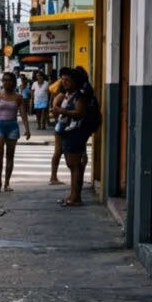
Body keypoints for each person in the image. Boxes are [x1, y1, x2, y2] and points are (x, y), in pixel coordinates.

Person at [0, 71, 32, 193]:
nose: (6, 82)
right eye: (4, 80)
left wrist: (27, 129)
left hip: (12, 126)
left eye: (9, 80)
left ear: (13, 82)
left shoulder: (18, 97)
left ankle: (7, 183)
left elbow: (23, 114)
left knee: (10, 156)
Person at [56, 67, 94, 207]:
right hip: (69, 132)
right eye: (63, 80)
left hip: (75, 133)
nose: (64, 82)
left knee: (75, 166)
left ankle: (76, 197)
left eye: (68, 80)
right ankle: (72, 195)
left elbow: (79, 113)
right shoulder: (68, 95)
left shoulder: (79, 96)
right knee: (72, 165)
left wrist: (62, 111)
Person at [47, 69, 68, 186]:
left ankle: (53, 176)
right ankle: (53, 177)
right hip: (62, 125)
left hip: (63, 125)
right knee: (58, 152)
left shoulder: (65, 95)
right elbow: (54, 111)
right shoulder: (61, 96)